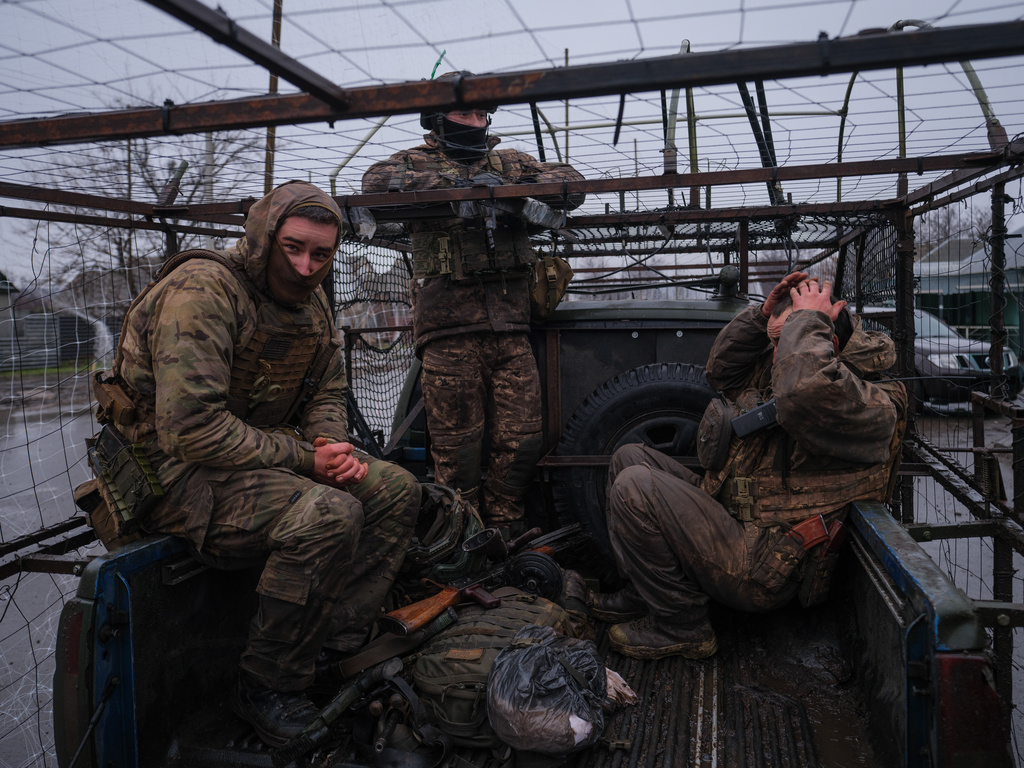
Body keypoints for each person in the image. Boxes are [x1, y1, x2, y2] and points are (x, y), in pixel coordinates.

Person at [90, 180, 421, 746]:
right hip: (172, 475)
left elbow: (326, 387)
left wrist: (329, 447)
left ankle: (334, 649)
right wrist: (306, 459)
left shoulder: (312, 298)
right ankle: (268, 683)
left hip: (252, 459)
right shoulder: (204, 290)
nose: (306, 266)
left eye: (321, 254)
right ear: (264, 237)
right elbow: (189, 429)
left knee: (395, 489)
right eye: (293, 248)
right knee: (330, 515)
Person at [589, 273, 907, 660]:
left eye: (784, 342)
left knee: (634, 487)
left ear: (827, 342)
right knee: (628, 457)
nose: (774, 356)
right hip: (736, 521)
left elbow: (804, 396)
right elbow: (721, 372)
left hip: (765, 564)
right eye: (774, 343)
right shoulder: (792, 367)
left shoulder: (870, 402)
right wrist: (760, 318)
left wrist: (806, 323)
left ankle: (682, 626)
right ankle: (647, 592)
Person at [361, 71, 585, 536]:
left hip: (511, 328)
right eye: (466, 112)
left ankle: (505, 526)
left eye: (482, 113)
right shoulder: (413, 161)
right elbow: (374, 182)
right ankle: (462, 536)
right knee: (457, 449)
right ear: (438, 118)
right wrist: (456, 187)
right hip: (448, 334)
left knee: (523, 441)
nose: (477, 121)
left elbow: (572, 182)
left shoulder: (509, 162)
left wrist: (507, 191)